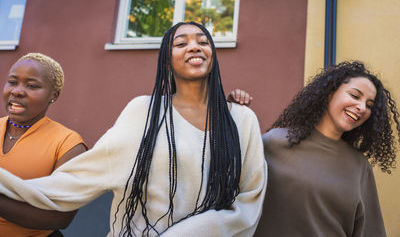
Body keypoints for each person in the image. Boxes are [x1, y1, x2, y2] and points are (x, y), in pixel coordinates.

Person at [0, 22, 267, 236]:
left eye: (203, 42)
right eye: (181, 43)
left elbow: (248, 201)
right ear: (166, 60)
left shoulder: (242, 119)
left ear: (213, 56)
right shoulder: (143, 112)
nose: (194, 47)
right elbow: (80, 177)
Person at [231, 61, 399, 237]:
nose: (362, 108)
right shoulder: (274, 142)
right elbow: (226, 186)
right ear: (329, 93)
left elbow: (371, 231)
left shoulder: (359, 166)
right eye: (355, 96)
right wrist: (232, 112)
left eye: (369, 105)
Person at [0, 53, 87, 236]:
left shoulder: (68, 144)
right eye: (13, 82)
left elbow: (60, 217)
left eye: (32, 86)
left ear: (53, 95)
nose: (17, 91)